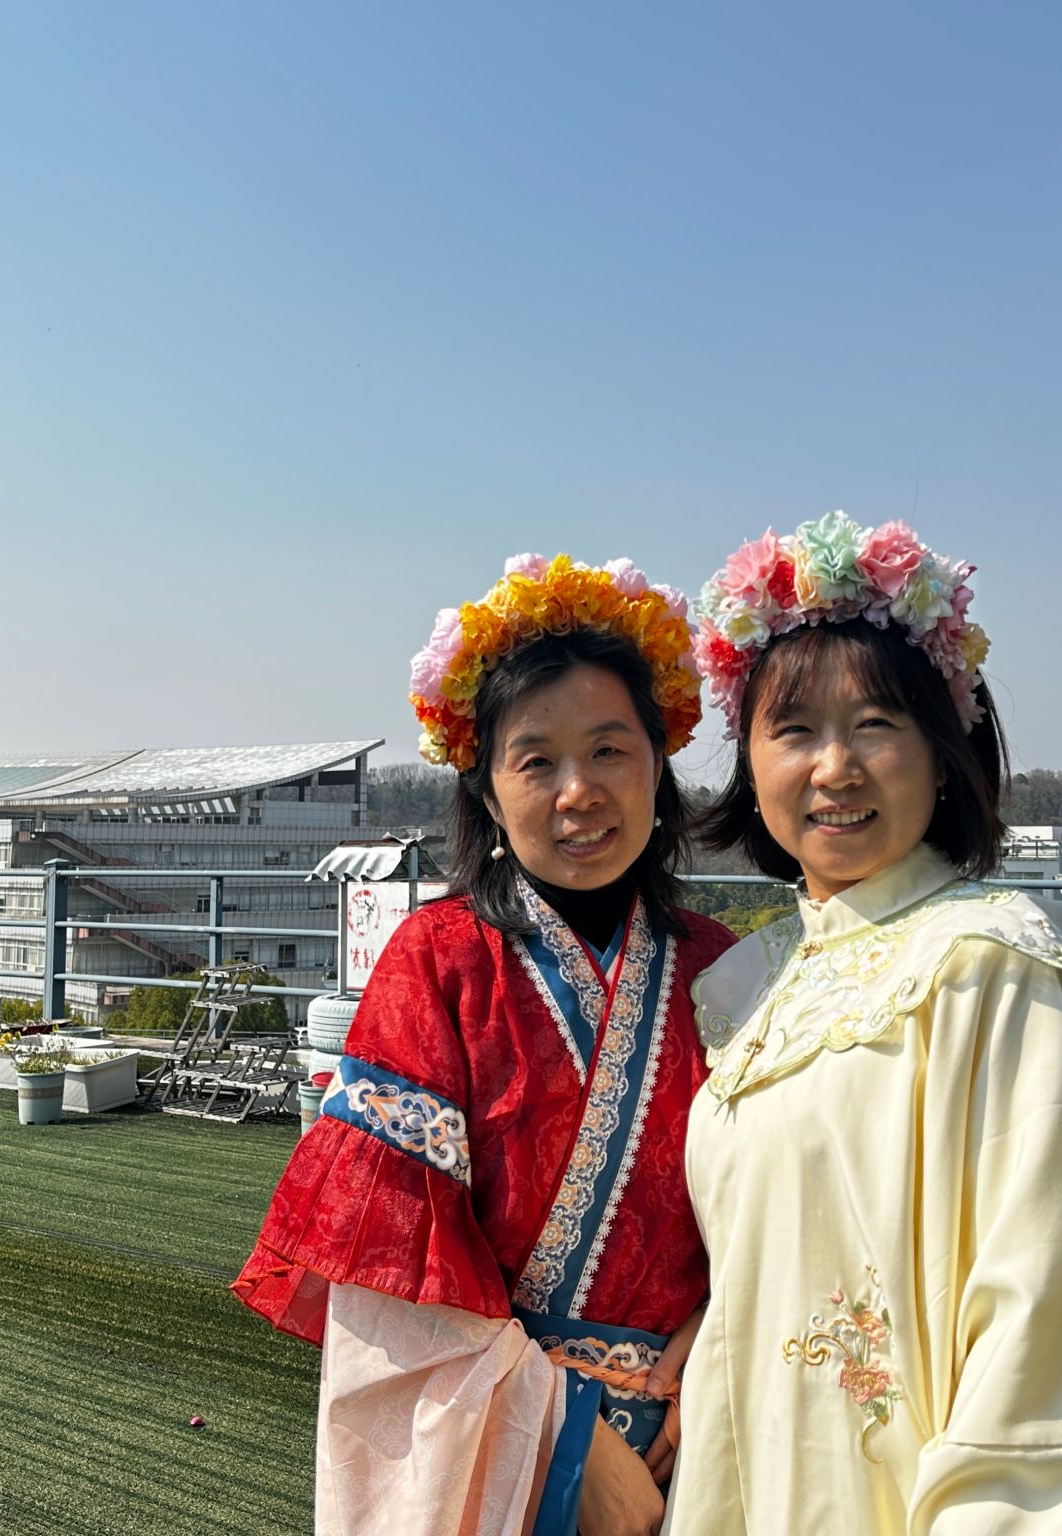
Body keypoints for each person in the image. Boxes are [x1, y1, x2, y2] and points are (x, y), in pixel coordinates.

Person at [668, 512, 1062, 1534]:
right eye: (793, 730)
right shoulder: (750, 987)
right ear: (748, 761)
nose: (833, 767)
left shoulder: (996, 967)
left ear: (940, 751)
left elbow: (1048, 1338)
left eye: (875, 723)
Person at [234, 553, 739, 1536]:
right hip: (504, 1466)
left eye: (609, 750)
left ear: (658, 765)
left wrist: (722, 1332)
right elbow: (390, 1267)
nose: (577, 791)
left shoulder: (724, 971)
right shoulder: (435, 963)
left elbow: (784, 1208)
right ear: (489, 793)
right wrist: (565, 1440)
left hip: (711, 1433)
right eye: (535, 761)